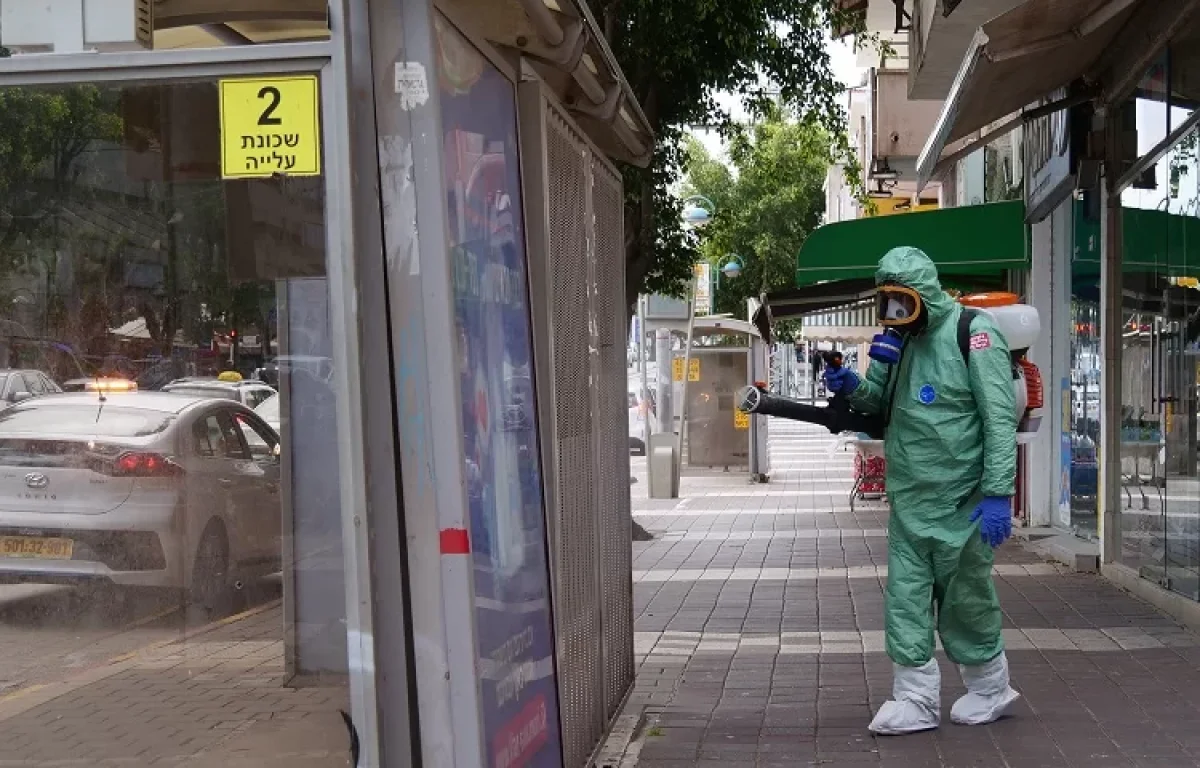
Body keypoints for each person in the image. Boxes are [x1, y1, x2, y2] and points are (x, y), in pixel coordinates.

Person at [823, 246, 1019, 735]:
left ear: (924, 294)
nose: (895, 314)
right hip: (910, 502)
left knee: (966, 600)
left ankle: (991, 688)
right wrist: (849, 384)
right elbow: (879, 400)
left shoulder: (972, 331)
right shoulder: (898, 342)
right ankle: (915, 700)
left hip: (963, 502)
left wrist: (998, 491)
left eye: (902, 301)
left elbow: (997, 417)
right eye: (887, 303)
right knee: (905, 601)